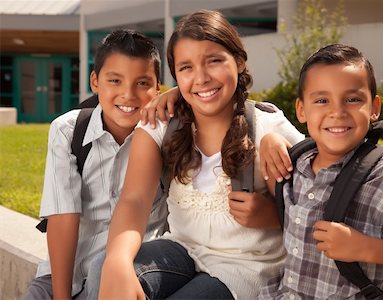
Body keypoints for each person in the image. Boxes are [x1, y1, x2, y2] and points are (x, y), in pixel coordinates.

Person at [97, 9, 304, 300]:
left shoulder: (268, 125)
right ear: (176, 77)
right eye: (186, 68)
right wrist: (116, 261)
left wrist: (274, 215)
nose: (201, 78)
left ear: (240, 61)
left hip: (247, 266)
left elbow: (322, 190)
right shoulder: (160, 124)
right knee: (109, 272)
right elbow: (134, 199)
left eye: (214, 61)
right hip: (182, 250)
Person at [259, 44, 383, 299]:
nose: (337, 111)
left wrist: (366, 248)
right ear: (301, 110)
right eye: (322, 100)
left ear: (374, 107)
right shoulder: (298, 162)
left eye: (352, 99)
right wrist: (269, 140)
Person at [23, 29, 169, 300]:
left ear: (157, 87)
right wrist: (62, 296)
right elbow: (63, 217)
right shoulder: (69, 131)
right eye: (115, 80)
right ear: (95, 81)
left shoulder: (166, 135)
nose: (128, 94)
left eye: (142, 83)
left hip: (131, 267)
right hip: (67, 272)